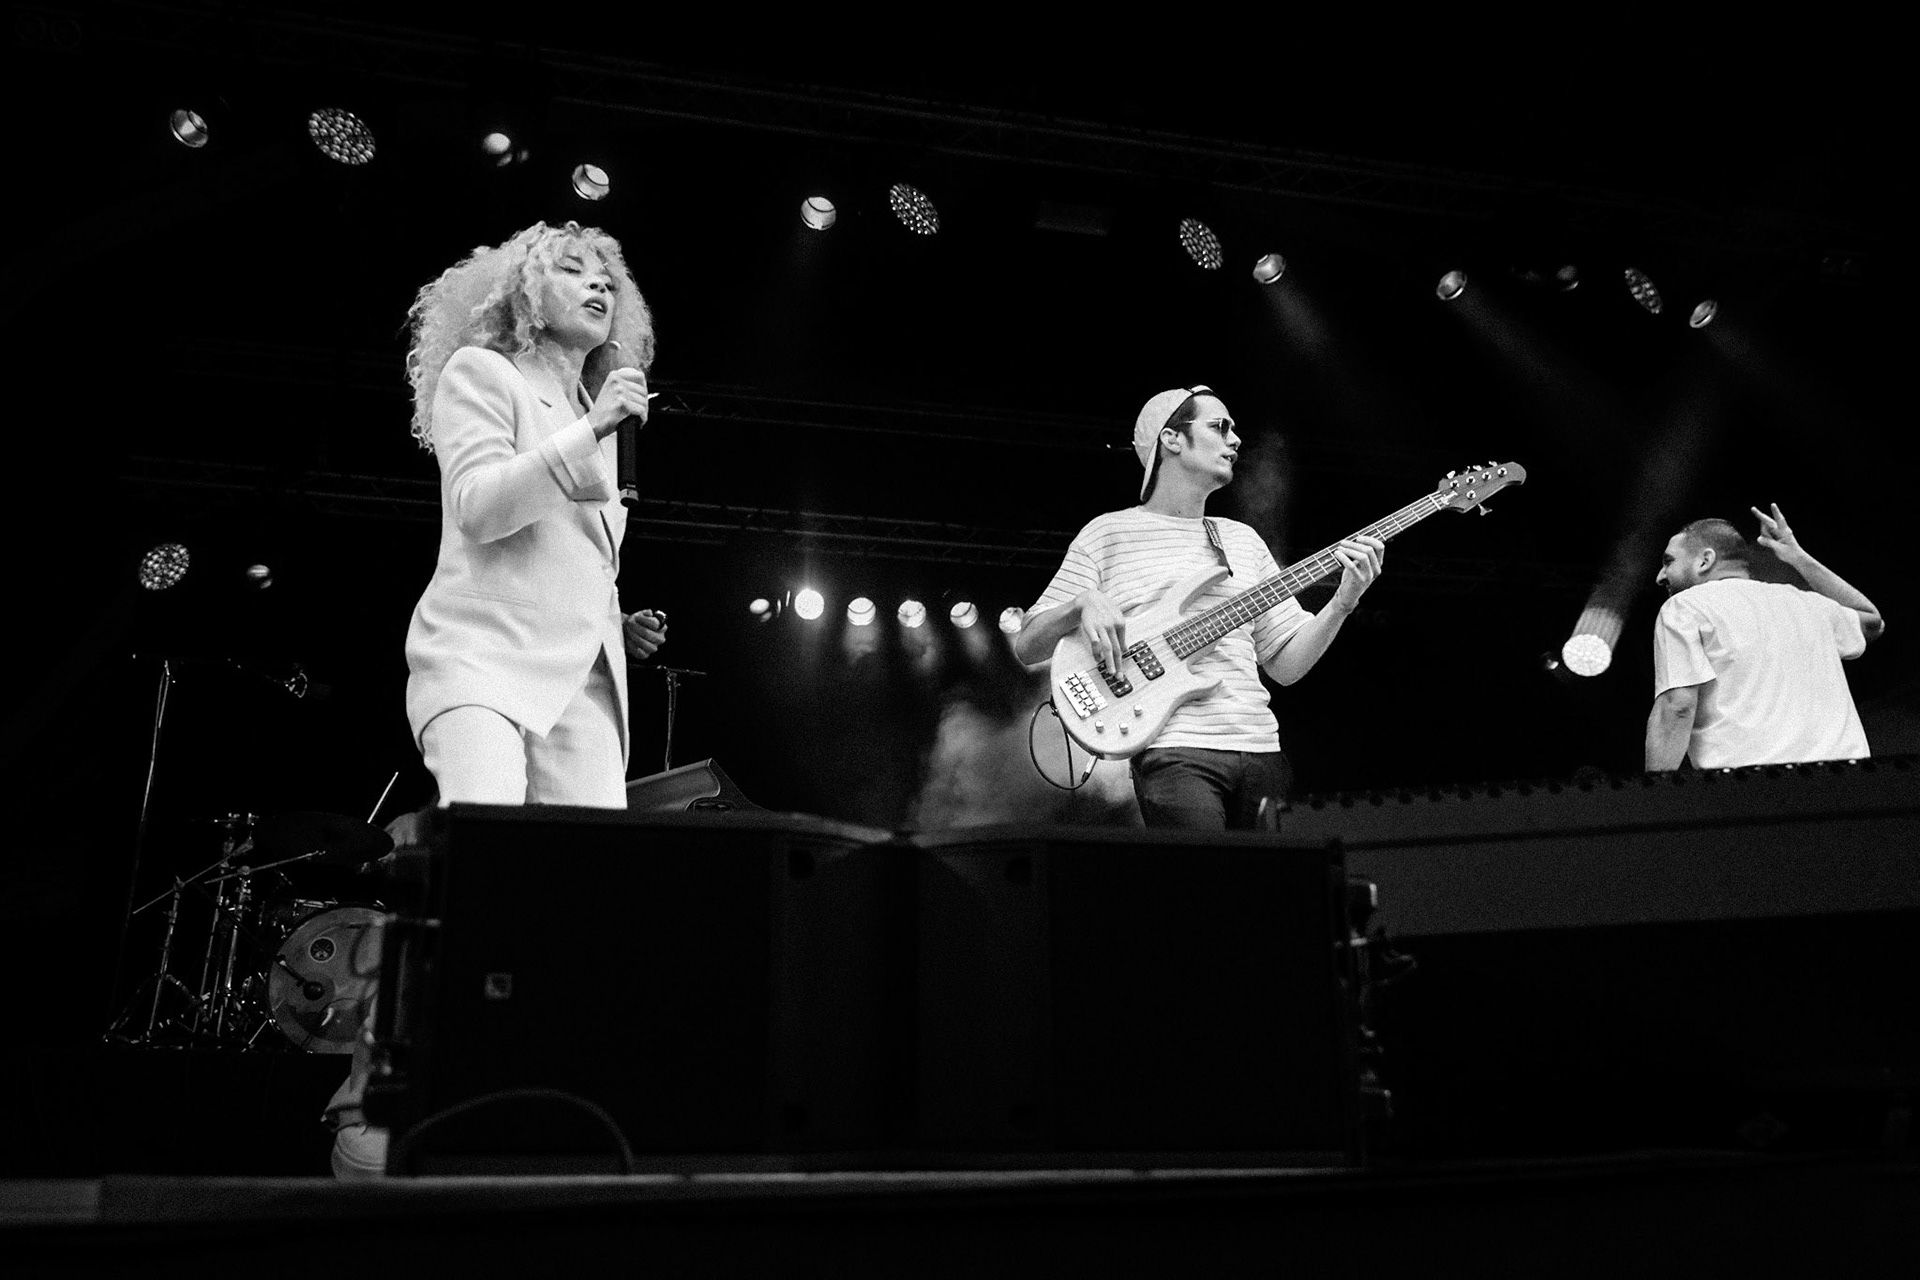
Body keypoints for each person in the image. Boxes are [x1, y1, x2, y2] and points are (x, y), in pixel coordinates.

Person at [330, 222, 673, 1179]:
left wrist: (618, 620)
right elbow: (483, 509)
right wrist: (592, 427)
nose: (597, 284)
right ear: (522, 293)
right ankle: (376, 1105)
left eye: (608, 275)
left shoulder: (598, 406)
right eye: (571, 268)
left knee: (577, 907)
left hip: (580, 681)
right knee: (474, 874)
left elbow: (565, 556)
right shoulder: (483, 376)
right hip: (479, 662)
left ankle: (539, 1101)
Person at [1011, 386, 1385, 829]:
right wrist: (1082, 603)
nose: (1235, 440)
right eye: (1219, 427)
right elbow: (1028, 644)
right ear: (1172, 439)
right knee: (1205, 887)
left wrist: (1342, 603)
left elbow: (1285, 666)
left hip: (1261, 747)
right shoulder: (1108, 534)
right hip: (1174, 752)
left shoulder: (1243, 540)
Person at [1645, 505, 1884, 771]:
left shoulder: (1685, 606)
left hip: (1753, 791)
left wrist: (1650, 800)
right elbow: (1871, 621)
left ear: (1705, 560)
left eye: (1669, 562)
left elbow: (1677, 707)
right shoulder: (1806, 603)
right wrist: (1798, 556)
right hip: (1851, 784)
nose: (1660, 576)